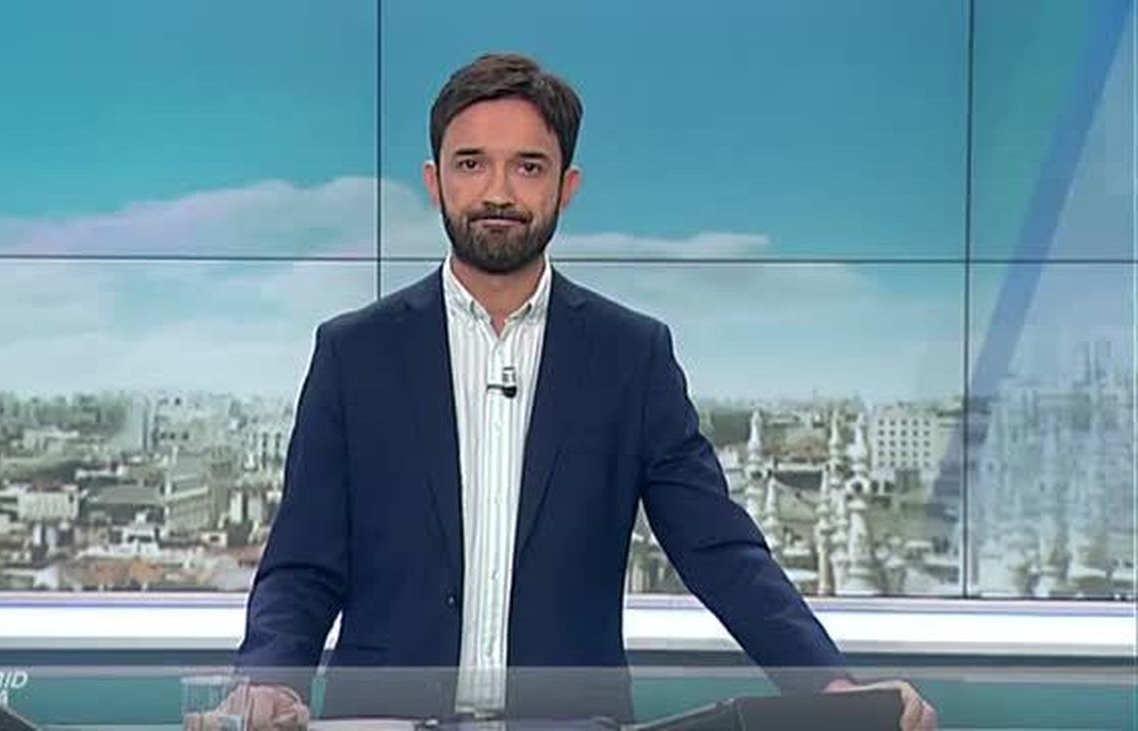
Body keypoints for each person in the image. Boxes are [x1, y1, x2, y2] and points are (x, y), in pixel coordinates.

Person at [232, 52, 937, 730]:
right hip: (384, 724)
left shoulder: (631, 356)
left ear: (566, 186)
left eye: (528, 166)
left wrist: (830, 687)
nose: (498, 192)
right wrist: (270, 684)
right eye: (471, 163)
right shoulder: (355, 354)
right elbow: (302, 566)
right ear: (434, 180)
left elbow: (718, 549)